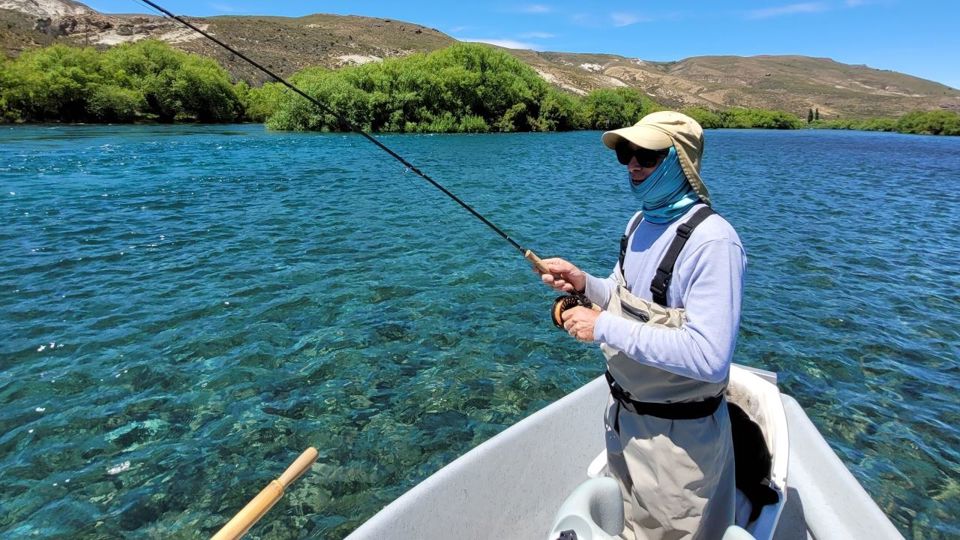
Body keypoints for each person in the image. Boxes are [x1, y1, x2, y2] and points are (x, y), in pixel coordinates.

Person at [537, 111, 746, 540]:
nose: (633, 164)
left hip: (679, 445)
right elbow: (622, 292)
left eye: (647, 155)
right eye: (628, 154)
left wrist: (602, 327)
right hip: (623, 420)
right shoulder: (638, 223)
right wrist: (585, 283)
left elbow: (709, 356)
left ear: (680, 162)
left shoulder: (714, 242)